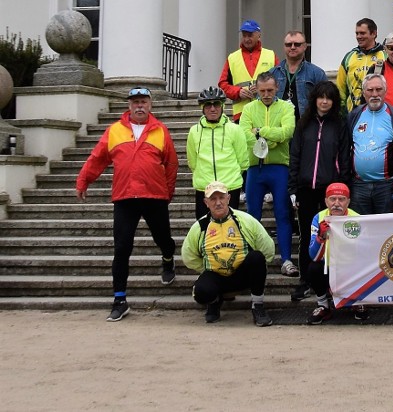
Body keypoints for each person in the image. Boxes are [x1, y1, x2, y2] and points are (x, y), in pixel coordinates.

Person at [75, 87, 178, 322]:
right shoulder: (114, 131)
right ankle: (119, 299)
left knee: (164, 238)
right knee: (122, 248)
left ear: (150, 105)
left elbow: (171, 163)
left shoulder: (161, 130)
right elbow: (97, 158)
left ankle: (168, 260)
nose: (139, 106)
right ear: (129, 106)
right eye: (135, 102)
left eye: (143, 101)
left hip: (154, 196)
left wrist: (167, 191)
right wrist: (83, 180)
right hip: (125, 198)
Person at [288, 81, 352, 301]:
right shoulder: (303, 124)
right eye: (321, 97)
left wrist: (343, 186)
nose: (324, 102)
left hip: (330, 189)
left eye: (329, 98)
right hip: (306, 188)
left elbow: (344, 158)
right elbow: (294, 156)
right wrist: (292, 187)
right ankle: (305, 279)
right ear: (315, 99)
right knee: (307, 234)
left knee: (333, 235)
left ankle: (335, 278)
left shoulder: (339, 125)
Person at [180, 181, 275, 326]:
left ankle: (258, 306)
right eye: (213, 199)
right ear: (206, 202)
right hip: (217, 277)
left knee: (256, 257)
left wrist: (257, 270)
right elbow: (188, 256)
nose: (218, 203)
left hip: (242, 275)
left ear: (228, 199)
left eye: (221, 198)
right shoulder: (200, 227)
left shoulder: (245, 220)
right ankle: (214, 301)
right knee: (201, 292)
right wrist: (207, 269)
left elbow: (267, 249)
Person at [239, 72, 298, 277]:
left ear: (277, 88)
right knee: (252, 217)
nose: (266, 95)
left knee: (282, 214)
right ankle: (254, 260)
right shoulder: (248, 108)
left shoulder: (286, 107)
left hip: (279, 167)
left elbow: (287, 132)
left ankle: (287, 260)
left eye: (270, 91)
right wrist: (272, 136)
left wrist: (261, 132)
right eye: (262, 91)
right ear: (256, 89)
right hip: (255, 169)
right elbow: (244, 136)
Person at [305, 183, 365, 324]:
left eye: (341, 199)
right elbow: (314, 256)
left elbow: (364, 252)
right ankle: (323, 306)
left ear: (348, 202)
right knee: (313, 268)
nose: (336, 203)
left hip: (351, 266)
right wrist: (321, 236)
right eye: (333, 199)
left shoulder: (357, 218)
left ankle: (358, 301)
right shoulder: (318, 218)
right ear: (326, 201)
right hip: (328, 265)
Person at [186, 86, 248, 220]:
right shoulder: (194, 131)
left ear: (222, 106)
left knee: (230, 228)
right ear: (202, 107)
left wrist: (232, 177)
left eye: (216, 104)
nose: (212, 108)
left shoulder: (235, 130)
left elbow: (243, 160)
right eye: (208, 105)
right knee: (204, 229)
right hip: (205, 187)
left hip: (230, 186)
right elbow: (192, 161)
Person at [347, 74, 393, 214]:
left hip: (386, 186)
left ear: (386, 91)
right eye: (370, 90)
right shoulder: (354, 115)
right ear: (363, 93)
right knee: (361, 230)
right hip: (359, 185)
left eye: (379, 89)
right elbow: (347, 148)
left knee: (385, 230)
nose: (374, 94)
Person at [218, 19, 278, 122]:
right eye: (244, 35)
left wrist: (261, 89)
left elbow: (280, 81)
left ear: (258, 35)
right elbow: (223, 84)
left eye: (250, 35)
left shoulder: (270, 55)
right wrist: (238, 92)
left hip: (267, 111)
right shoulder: (232, 58)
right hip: (241, 114)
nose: (246, 39)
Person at [270, 30, 327, 122]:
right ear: (284, 47)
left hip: (307, 126)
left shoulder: (317, 73)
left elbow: (326, 100)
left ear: (305, 46)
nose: (292, 47)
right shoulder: (272, 73)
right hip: (278, 127)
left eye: (297, 44)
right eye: (289, 44)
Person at [337, 17, 385, 112]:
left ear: (374, 34)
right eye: (357, 33)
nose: (359, 36)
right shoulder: (349, 57)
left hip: (379, 111)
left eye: (362, 33)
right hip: (353, 113)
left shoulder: (385, 55)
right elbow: (340, 88)